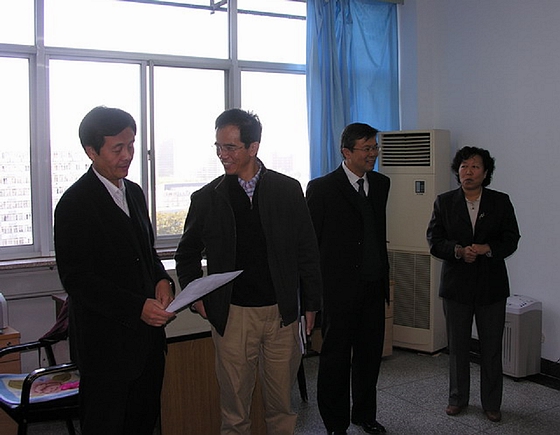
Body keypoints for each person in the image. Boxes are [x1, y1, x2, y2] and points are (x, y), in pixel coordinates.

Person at [174, 108, 322, 435]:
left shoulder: (287, 190)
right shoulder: (207, 198)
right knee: (235, 411)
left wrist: (311, 304)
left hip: (282, 314)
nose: (222, 155)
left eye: (230, 147)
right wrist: (196, 296)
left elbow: (307, 251)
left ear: (253, 147)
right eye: (218, 146)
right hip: (233, 316)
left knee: (281, 406)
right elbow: (186, 254)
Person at [54, 106, 176, 435]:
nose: (128, 155)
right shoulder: (74, 204)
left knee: (142, 422)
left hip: (147, 345)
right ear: (91, 151)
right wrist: (137, 307)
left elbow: (146, 254)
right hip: (105, 349)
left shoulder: (134, 193)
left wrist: (162, 279)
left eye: (132, 145)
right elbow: (77, 280)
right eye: (117, 148)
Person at [306, 123, 390, 435]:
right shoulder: (322, 188)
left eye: (374, 147)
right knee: (335, 359)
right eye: (366, 148)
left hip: (373, 285)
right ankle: (335, 423)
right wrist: (313, 290)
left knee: (370, 356)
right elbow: (311, 243)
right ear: (346, 152)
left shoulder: (381, 184)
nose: (373, 154)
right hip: (338, 290)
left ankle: (365, 415)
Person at [427, 146, 520, 423]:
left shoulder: (500, 201)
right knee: (457, 347)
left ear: (485, 172)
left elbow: (511, 238)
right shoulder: (444, 202)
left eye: (475, 166)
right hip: (457, 286)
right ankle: (457, 398)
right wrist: (457, 251)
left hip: (491, 286)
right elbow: (434, 240)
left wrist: (488, 248)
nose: (468, 172)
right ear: (458, 171)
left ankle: (492, 403)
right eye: (464, 166)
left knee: (491, 348)